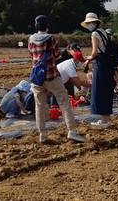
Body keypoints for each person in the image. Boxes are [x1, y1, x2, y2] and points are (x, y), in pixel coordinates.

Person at [29, 15, 84, 143]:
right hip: (51, 76)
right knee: (64, 101)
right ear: (46, 26)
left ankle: (42, 134)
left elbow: (31, 55)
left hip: (37, 77)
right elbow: (57, 55)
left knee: (39, 105)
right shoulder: (50, 39)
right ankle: (72, 131)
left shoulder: (31, 39)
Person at [82, 12, 118, 128]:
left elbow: (94, 52)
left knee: (99, 91)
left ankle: (104, 121)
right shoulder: (103, 31)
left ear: (95, 22)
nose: (89, 25)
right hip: (107, 64)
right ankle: (107, 119)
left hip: (101, 64)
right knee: (106, 91)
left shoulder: (94, 34)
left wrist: (87, 58)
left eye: (89, 23)